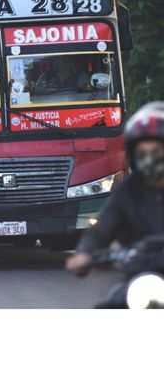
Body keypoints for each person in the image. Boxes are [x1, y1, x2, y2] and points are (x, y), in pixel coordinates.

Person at [66, 102, 164, 306]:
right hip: (141, 279)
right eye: (142, 151)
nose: (149, 157)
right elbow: (101, 230)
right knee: (107, 307)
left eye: (156, 150)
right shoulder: (128, 191)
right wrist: (85, 253)